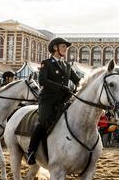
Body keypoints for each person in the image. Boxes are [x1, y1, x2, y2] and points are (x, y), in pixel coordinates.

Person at [26, 37, 80, 165]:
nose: (65, 49)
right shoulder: (47, 63)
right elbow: (42, 81)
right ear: (55, 48)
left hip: (63, 100)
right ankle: (31, 151)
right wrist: (61, 87)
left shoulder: (66, 65)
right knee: (43, 122)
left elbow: (77, 80)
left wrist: (79, 87)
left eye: (66, 47)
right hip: (48, 100)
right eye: (63, 47)